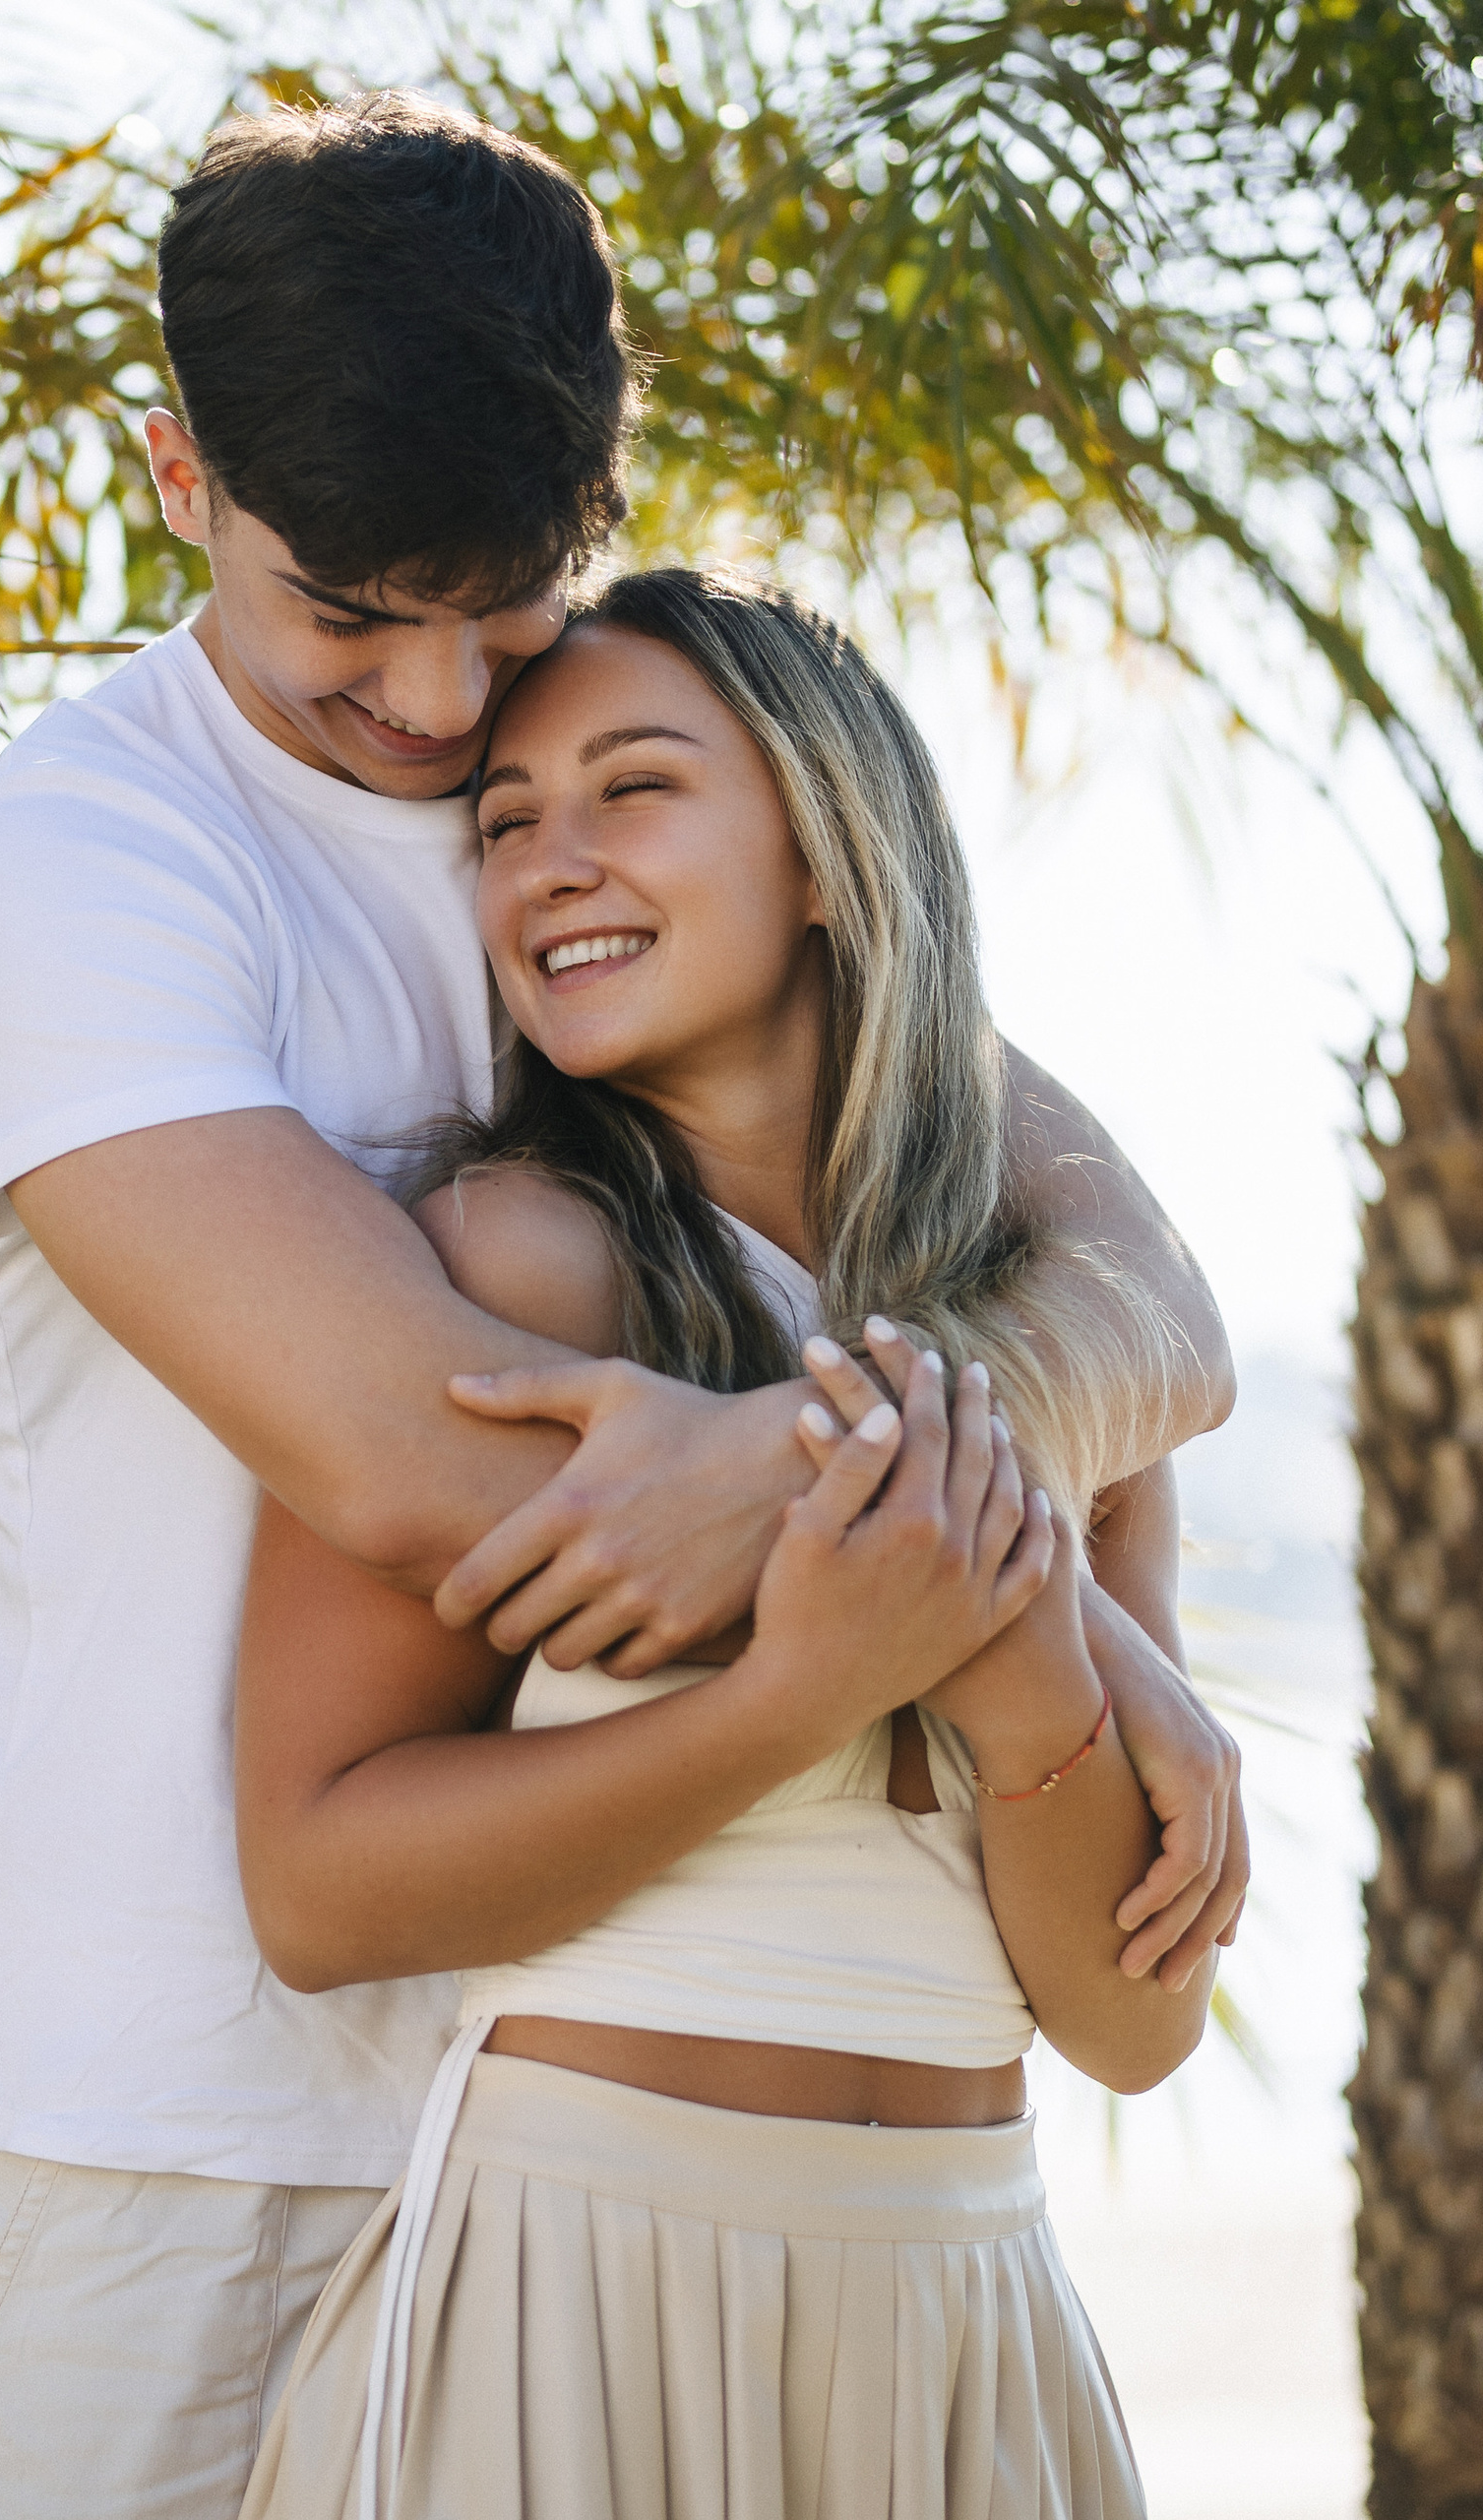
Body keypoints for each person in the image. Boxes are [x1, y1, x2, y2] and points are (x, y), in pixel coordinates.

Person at [0, 94, 1240, 2520]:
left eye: (491, 610)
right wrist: (1012, 1610)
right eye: (350, 614)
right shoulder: (81, 871)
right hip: (176, 2132)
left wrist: (1048, 1606)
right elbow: (419, 1460)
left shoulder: (604, 812)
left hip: (576, 2105)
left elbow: (1128, 1282)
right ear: (179, 480)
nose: (430, 711)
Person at [235, 570, 1213, 2520]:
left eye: (633, 788)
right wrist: (802, 1689)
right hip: (573, 2294)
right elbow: (319, 1884)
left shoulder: (1045, 1361)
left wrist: (1026, 1670)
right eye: (505, 821)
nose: (548, 862)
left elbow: (1127, 2017)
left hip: (964, 2305)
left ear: (828, 856)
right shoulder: (515, 1265)